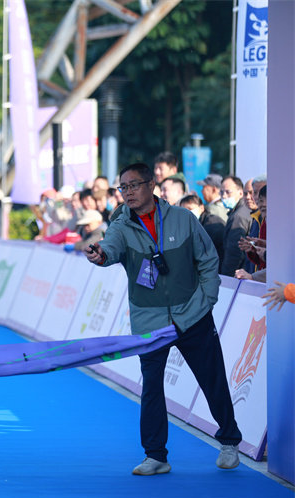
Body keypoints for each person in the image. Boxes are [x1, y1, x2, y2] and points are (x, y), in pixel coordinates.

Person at [84, 162, 242, 476]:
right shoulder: (120, 225)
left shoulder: (183, 218)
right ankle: (155, 456)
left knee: (212, 380)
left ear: (151, 185)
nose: (128, 192)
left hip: (193, 316)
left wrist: (206, 301)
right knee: (152, 388)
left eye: (133, 185)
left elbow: (208, 259)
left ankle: (229, 441)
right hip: (150, 322)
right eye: (123, 187)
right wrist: (100, 255)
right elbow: (110, 248)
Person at [219, 176, 253, 276]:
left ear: (240, 193)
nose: (224, 196)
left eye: (228, 192)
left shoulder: (239, 216)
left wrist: (227, 278)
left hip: (238, 274)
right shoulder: (241, 212)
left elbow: (234, 252)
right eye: (221, 192)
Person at [179, 194, 225, 266]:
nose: (187, 213)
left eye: (190, 209)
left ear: (201, 208)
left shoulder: (212, 223)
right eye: (183, 210)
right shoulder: (192, 224)